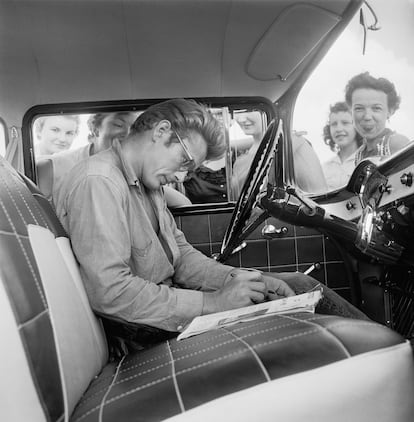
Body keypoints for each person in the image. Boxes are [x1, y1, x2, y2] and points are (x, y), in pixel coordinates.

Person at [55, 99, 368, 352]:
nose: (181, 176)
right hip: (142, 336)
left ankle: (374, 354)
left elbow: (180, 255)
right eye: (184, 161)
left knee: (296, 285)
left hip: (160, 320)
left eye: (190, 170)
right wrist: (213, 303)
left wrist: (244, 278)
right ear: (162, 131)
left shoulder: (148, 186)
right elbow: (110, 292)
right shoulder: (99, 182)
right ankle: (379, 357)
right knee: (299, 304)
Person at [37, 111, 190, 208]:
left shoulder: (134, 171)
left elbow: (182, 203)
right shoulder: (52, 167)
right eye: (118, 124)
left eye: (135, 127)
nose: (128, 133)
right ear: (96, 129)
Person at [231, 111, 327, 197]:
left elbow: (320, 197)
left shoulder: (294, 145)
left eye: (250, 110)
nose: (241, 119)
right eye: (238, 111)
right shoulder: (243, 154)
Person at [345, 72, 411, 164]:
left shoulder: (397, 143)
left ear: (390, 111)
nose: (367, 116)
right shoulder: (359, 154)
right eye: (359, 108)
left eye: (376, 108)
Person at [322, 102, 363, 190]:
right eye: (334, 124)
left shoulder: (366, 162)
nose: (339, 129)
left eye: (345, 123)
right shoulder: (324, 168)